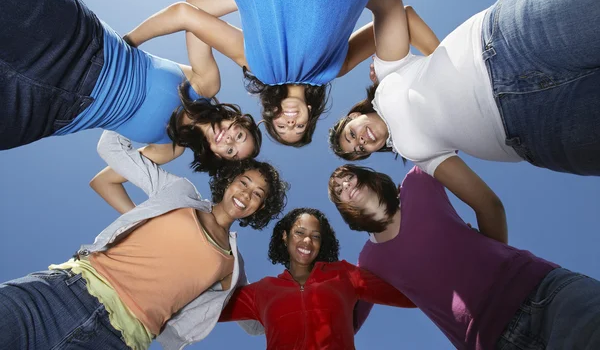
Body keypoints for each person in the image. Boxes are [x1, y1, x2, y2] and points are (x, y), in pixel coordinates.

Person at [330, 0, 600, 192]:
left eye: (351, 135)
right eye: (360, 151)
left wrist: (443, 63)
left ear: (354, 116)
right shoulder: (418, 155)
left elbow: (394, 6)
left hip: (507, 41)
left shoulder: (386, 80)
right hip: (536, 130)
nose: (361, 142)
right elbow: (487, 204)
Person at [0, 130, 289, 350]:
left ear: (260, 208)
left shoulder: (232, 264)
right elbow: (111, 147)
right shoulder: (179, 192)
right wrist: (173, 126)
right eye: (244, 183)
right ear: (229, 181)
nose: (246, 195)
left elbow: (255, 322)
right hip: (65, 291)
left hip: (116, 339)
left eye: (258, 195)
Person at [0, 0, 261, 175]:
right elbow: (190, 11)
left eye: (231, 151)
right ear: (238, 120)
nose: (229, 140)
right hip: (77, 44)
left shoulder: (168, 150)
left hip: (47, 113)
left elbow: (107, 180)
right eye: (239, 136)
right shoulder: (206, 84)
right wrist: (130, 41)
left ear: (219, 157)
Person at [125, 0, 408, 146]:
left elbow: (188, 11)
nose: (291, 121)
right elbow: (389, 11)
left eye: (282, 126)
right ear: (310, 113)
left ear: (270, 113)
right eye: (298, 127)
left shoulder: (255, 64)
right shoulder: (336, 68)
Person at [329, 164, 600, 349]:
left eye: (346, 177)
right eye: (338, 190)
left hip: (546, 292)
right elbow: (343, 323)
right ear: (344, 208)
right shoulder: (369, 261)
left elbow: (446, 129)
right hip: (492, 343)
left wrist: (491, 255)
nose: (345, 185)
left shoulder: (419, 179)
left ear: (363, 174)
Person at [218, 207, 415, 349]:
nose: (307, 241)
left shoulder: (344, 274)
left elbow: (410, 295)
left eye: (315, 236)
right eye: (299, 233)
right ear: (285, 236)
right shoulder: (262, 290)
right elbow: (206, 308)